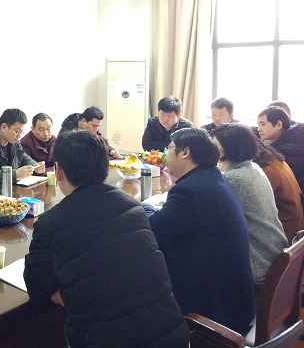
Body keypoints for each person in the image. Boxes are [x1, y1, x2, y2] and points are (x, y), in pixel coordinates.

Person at [24, 131, 189, 348]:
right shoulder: (133, 206)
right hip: (174, 337)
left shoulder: (51, 223)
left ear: (59, 171)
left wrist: (52, 285)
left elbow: (37, 290)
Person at [144, 128, 254, 333]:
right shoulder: (213, 177)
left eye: (169, 148)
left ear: (185, 152)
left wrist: (145, 206)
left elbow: (152, 230)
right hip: (231, 293)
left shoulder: (191, 190)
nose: (166, 155)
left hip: (211, 303)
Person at [212, 123, 287, 284]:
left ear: (230, 147)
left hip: (258, 263)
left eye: (216, 144)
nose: (212, 148)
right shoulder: (253, 168)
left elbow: (211, 218)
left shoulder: (235, 178)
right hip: (274, 253)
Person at [0, 108, 46, 184]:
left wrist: (35, 166)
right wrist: (15, 174)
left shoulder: (15, 143)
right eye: (17, 131)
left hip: (12, 187)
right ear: (4, 127)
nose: (19, 136)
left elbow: (24, 157)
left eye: (21, 132)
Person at [253, 139, 304, 242]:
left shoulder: (263, 169)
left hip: (285, 234)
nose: (259, 130)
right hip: (294, 225)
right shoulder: (271, 158)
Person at [257, 107, 304, 193]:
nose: (259, 129)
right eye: (259, 125)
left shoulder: (291, 149)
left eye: (263, 124)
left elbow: (275, 177)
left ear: (279, 124)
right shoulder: (282, 141)